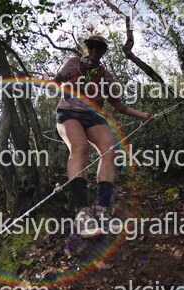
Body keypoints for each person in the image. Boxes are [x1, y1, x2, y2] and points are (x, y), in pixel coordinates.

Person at [53, 34, 153, 237]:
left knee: (111, 151)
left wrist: (143, 115)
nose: (94, 51)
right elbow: (55, 82)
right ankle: (82, 212)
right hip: (68, 112)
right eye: (91, 47)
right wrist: (72, 79)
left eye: (99, 48)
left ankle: (102, 209)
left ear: (104, 52)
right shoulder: (73, 63)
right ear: (86, 48)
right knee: (79, 147)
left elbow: (118, 105)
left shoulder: (106, 76)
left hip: (93, 115)